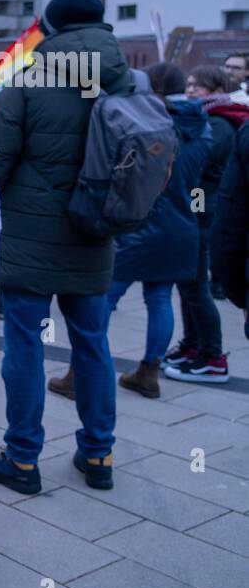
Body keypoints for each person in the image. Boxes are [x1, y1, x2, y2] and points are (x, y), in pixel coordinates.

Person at [0, 0, 133, 493]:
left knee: (25, 345)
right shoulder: (124, 83)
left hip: (29, 240)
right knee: (93, 344)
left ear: (49, 28)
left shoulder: (28, 82)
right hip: (95, 234)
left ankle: (21, 459)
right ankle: (99, 453)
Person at [102, 88, 210, 399]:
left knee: (105, 298)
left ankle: (82, 369)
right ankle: (149, 372)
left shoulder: (154, 134)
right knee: (160, 300)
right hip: (181, 227)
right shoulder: (203, 133)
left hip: (143, 226)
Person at [163, 65, 249, 383]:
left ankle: (212, 355)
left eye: (197, 86)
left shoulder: (220, 123)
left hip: (203, 208)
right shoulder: (208, 118)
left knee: (196, 285)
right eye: (188, 84)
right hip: (197, 205)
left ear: (216, 89)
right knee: (188, 283)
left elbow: (200, 166)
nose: (190, 90)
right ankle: (192, 346)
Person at [211, 121, 249, 340]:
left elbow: (231, 224)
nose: (191, 91)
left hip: (199, 209)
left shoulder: (218, 127)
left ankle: (208, 351)